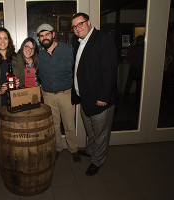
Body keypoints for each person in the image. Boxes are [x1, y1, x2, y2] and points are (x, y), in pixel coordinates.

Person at [71, 13, 118, 176]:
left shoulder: (103, 41)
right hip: (85, 98)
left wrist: (104, 97)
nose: (78, 28)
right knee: (90, 130)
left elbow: (110, 72)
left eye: (81, 24)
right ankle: (91, 151)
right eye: (75, 26)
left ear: (89, 23)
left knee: (100, 134)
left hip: (100, 101)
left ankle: (97, 161)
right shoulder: (79, 43)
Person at [36, 23, 81, 162]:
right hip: (48, 95)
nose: (45, 38)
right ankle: (58, 148)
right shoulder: (38, 54)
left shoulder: (68, 50)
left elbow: (78, 69)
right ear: (38, 38)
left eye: (47, 34)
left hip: (66, 94)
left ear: (53, 35)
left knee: (69, 125)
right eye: (41, 36)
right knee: (54, 125)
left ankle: (73, 149)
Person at [124, 35, 144, 101]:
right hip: (140, 68)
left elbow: (127, 58)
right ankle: (137, 100)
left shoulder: (133, 48)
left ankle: (125, 97)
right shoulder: (144, 49)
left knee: (129, 84)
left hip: (133, 68)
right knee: (138, 86)